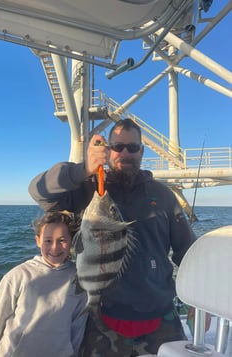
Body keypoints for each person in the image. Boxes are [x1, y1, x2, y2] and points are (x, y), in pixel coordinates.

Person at [28, 118, 197, 356]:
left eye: (132, 147)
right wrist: (83, 168)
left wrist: (198, 302)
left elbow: (187, 252)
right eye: (118, 147)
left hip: (161, 317)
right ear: (108, 150)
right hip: (101, 318)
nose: (125, 153)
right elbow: (38, 191)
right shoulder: (90, 188)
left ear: (142, 150)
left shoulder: (164, 195)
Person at [0, 211, 88, 357]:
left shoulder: (79, 278)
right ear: (38, 240)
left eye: (62, 240)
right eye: (48, 241)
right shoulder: (17, 276)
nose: (55, 248)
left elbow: (77, 328)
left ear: (71, 241)